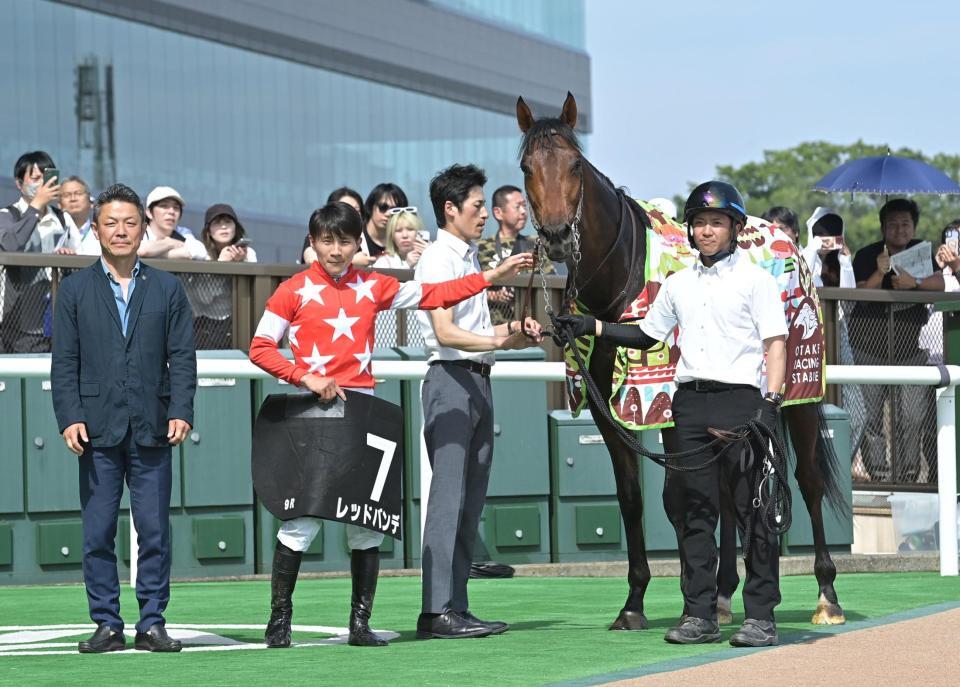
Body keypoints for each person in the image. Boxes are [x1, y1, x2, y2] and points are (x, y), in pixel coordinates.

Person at [248, 201, 534, 649]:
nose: (336, 250)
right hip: (311, 416)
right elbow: (261, 347)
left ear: (357, 243)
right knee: (301, 523)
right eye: (327, 241)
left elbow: (434, 295)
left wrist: (490, 279)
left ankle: (360, 624)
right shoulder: (293, 291)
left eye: (345, 241)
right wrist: (305, 376)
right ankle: (278, 620)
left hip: (362, 414)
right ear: (313, 242)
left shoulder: (374, 286)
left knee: (365, 523)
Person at [558, 181, 787, 648]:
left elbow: (775, 345)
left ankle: (760, 616)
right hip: (688, 404)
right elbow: (646, 335)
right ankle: (699, 614)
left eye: (716, 223)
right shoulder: (679, 284)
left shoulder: (757, 280)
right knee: (694, 514)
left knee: (754, 513)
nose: (706, 231)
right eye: (699, 223)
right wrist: (592, 327)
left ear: (736, 229)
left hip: (743, 403)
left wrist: (772, 403)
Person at [51, 183, 196, 654]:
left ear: (143, 228)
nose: (121, 231)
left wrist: (181, 409)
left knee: (154, 531)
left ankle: (152, 621)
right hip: (95, 427)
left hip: (153, 424)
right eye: (111, 223)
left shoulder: (169, 288)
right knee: (97, 532)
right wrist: (69, 416)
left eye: (130, 223)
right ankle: (107, 623)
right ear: (96, 230)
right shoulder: (73, 290)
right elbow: (64, 361)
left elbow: (183, 356)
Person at [414, 164, 544, 640]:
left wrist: (512, 332)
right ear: (450, 209)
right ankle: (434, 611)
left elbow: (474, 333)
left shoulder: (466, 257)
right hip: (450, 380)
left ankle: (456, 607)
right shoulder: (436, 260)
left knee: (469, 501)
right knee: (448, 499)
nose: (483, 215)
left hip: (477, 379)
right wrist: (498, 325)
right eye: (475, 206)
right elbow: (445, 333)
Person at [851, 198, 941, 482]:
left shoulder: (922, 250)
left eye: (905, 224)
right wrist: (881, 270)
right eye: (892, 224)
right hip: (868, 347)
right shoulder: (867, 254)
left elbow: (941, 283)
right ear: (882, 228)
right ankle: (878, 473)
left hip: (911, 349)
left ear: (914, 226)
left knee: (912, 416)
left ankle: (908, 474)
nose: (899, 229)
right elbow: (860, 291)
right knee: (871, 417)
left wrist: (914, 283)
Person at [0, 151, 74, 352]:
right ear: (19, 183)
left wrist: (68, 259)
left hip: (57, 319)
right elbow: (11, 245)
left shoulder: (63, 219)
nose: (42, 183)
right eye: (35, 178)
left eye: (46, 177)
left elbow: (79, 262)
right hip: (18, 320)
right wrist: (37, 206)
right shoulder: (8, 215)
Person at [476, 185, 552, 325]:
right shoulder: (480, 248)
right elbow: (468, 291)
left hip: (531, 328)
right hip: (494, 332)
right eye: (517, 206)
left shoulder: (536, 245)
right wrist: (494, 296)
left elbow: (550, 285)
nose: (524, 211)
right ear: (498, 213)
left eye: (525, 206)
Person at [187, 203, 257, 349]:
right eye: (217, 223)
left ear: (236, 227)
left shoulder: (247, 253)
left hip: (238, 324)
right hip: (204, 325)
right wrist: (221, 264)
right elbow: (204, 298)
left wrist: (240, 263)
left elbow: (252, 293)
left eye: (228, 222)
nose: (224, 227)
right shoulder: (202, 253)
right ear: (209, 230)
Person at [138, 186, 206, 260]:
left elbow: (200, 251)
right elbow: (141, 250)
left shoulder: (183, 233)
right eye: (164, 206)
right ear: (149, 213)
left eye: (176, 207)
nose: (171, 212)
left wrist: (154, 252)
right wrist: (170, 243)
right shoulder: (140, 231)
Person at [301, 187, 364, 264]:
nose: (336, 252)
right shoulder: (318, 234)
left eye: (356, 210)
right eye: (327, 241)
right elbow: (312, 260)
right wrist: (353, 261)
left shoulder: (355, 238)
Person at [357, 182, 408, 267]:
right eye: (383, 207)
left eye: (394, 210)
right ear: (371, 207)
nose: (388, 213)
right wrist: (351, 262)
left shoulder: (406, 239)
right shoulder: (355, 237)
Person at [802, 207, 855, 288]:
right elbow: (801, 283)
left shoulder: (840, 262)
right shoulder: (801, 256)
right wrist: (812, 251)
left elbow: (849, 295)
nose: (826, 238)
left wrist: (846, 266)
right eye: (819, 233)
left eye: (831, 234)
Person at [56, 176, 101, 256]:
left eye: (78, 194)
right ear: (59, 205)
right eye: (66, 195)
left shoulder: (102, 234)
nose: (73, 199)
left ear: (91, 202)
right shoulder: (53, 232)